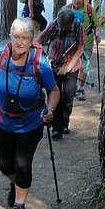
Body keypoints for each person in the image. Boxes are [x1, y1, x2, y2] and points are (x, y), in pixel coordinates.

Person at [0, 18, 59, 209]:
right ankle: (16, 183)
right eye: (16, 37)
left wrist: (50, 109)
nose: (20, 42)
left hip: (30, 122)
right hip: (2, 119)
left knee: (22, 164)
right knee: (4, 163)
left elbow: (53, 90)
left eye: (25, 38)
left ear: (32, 40)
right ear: (10, 37)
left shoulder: (39, 62)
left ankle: (19, 204)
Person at [36, 9, 86, 141]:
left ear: (71, 24)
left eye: (64, 27)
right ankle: (56, 128)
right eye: (60, 25)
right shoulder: (53, 25)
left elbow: (80, 48)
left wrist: (68, 67)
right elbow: (39, 41)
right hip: (54, 67)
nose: (61, 29)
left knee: (68, 96)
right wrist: (41, 59)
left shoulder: (78, 27)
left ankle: (65, 122)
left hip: (72, 66)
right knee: (55, 95)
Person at [62, 0, 101, 101]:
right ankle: (71, 88)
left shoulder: (89, 10)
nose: (76, 1)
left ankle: (80, 88)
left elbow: (96, 25)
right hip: (70, 44)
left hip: (86, 43)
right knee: (71, 66)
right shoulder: (66, 9)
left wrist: (97, 35)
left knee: (83, 67)